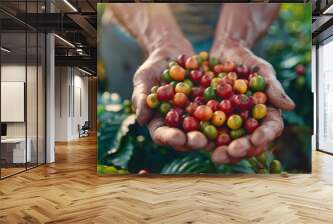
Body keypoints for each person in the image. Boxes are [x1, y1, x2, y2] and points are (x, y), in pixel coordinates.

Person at [108, 3, 295, 164]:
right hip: (135, 27)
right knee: (138, 127)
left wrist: (233, 38)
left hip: (238, 34)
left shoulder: (220, 92)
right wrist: (161, 40)